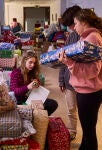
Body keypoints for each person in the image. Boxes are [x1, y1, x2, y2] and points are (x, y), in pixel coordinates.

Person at [59, 9, 102, 150]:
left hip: (89, 91)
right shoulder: (87, 37)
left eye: (76, 23)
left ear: (83, 22)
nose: (74, 27)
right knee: (87, 130)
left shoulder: (92, 38)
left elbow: (92, 71)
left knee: (89, 132)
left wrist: (69, 63)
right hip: (87, 90)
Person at [10, 51, 58, 116]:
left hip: (29, 98)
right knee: (41, 107)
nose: (32, 65)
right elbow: (14, 92)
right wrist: (28, 87)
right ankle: (35, 115)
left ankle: (38, 116)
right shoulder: (16, 72)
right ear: (24, 61)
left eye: (34, 63)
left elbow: (37, 82)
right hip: (19, 101)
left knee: (53, 104)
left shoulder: (31, 72)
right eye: (30, 62)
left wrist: (37, 83)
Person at [58, 5, 81, 141]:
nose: (71, 28)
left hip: (85, 82)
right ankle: (72, 131)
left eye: (72, 24)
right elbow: (63, 59)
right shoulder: (71, 36)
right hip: (69, 81)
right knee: (71, 110)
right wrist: (61, 80)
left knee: (85, 113)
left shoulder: (91, 37)